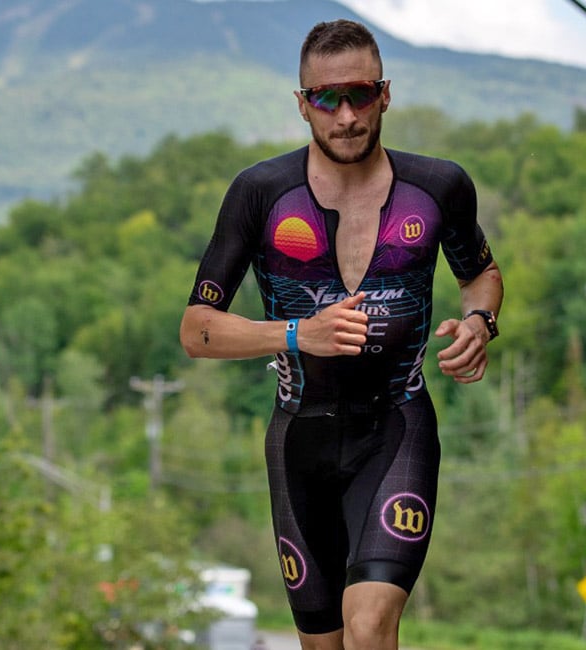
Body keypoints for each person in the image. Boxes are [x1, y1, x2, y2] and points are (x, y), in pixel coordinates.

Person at [179, 18, 503, 650]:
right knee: (325, 644)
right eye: (327, 99)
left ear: (385, 94)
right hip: (299, 438)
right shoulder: (260, 193)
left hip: (398, 428)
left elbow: (481, 273)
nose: (346, 116)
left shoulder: (438, 187)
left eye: (359, 95)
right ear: (303, 106)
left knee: (370, 625)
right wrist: (299, 334)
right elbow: (197, 331)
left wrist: (478, 321)